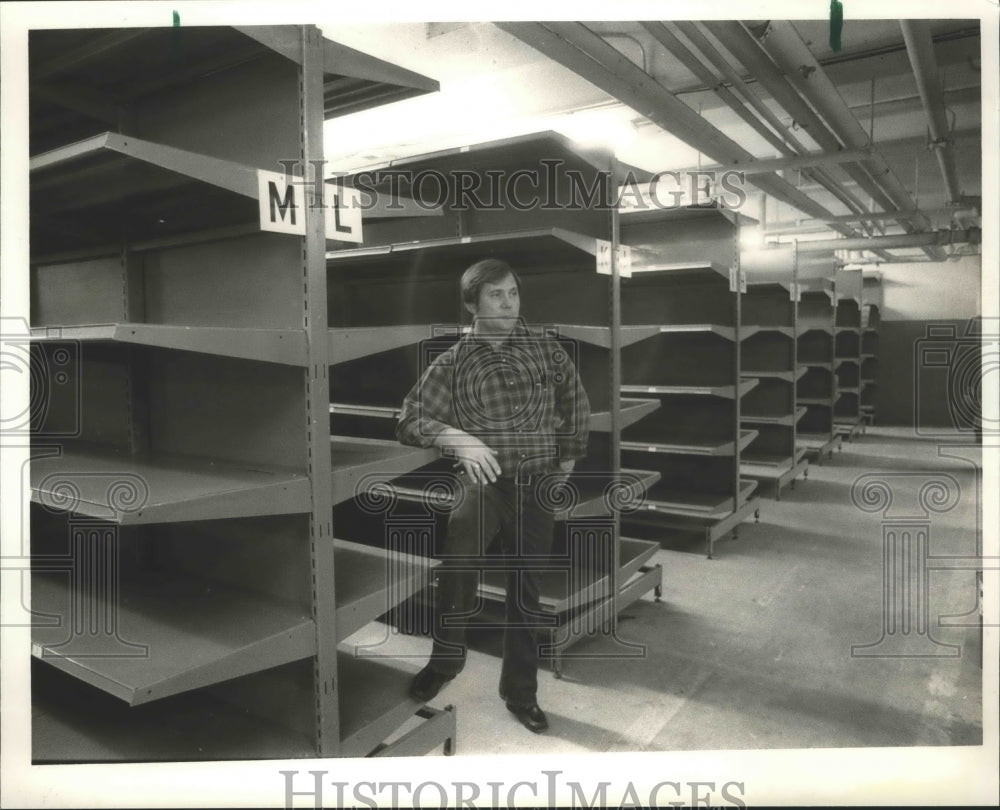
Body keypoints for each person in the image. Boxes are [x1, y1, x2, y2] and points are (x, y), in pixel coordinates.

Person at [395, 257, 590, 733]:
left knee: (526, 592)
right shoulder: (454, 362)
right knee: (458, 567)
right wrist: (459, 439)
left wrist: (567, 459)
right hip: (485, 483)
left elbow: (576, 404)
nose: (508, 303)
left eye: (513, 293)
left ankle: (521, 694)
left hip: (539, 482)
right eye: (496, 295)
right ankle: (445, 663)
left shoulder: (545, 351)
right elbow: (407, 419)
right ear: (471, 304)